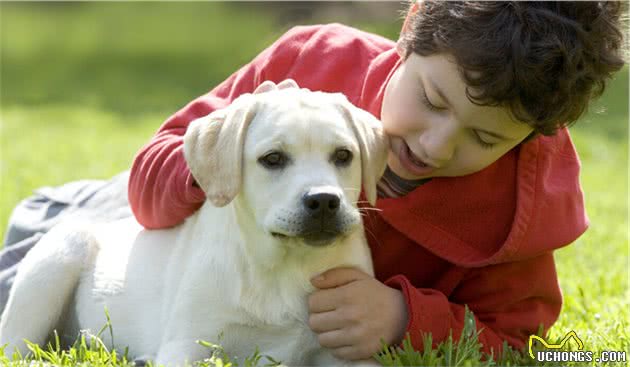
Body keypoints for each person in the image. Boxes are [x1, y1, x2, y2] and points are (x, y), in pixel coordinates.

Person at [1, 0, 626, 362]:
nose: (435, 145)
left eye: (485, 139)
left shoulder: (517, 218)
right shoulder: (309, 59)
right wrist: (238, 144)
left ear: (531, 139)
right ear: (406, 38)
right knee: (46, 240)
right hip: (118, 224)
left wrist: (406, 318)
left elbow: (524, 343)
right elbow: (152, 172)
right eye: (431, 99)